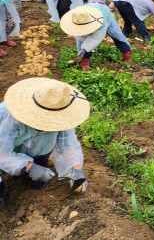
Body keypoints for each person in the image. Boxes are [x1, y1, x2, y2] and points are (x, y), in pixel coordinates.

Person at [0, 78, 90, 207]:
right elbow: (2, 153)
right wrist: (29, 167)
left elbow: (67, 144)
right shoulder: (8, 114)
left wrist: (75, 169)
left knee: (38, 182)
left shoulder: (62, 114)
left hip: (35, 148)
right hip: (3, 147)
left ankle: (30, 172)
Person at [60, 3, 132, 71]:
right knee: (83, 41)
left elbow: (94, 40)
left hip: (106, 13)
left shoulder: (101, 23)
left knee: (117, 36)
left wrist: (84, 49)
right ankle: (85, 63)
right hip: (90, 13)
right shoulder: (78, 17)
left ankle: (127, 56)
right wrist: (81, 53)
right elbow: (81, 39)